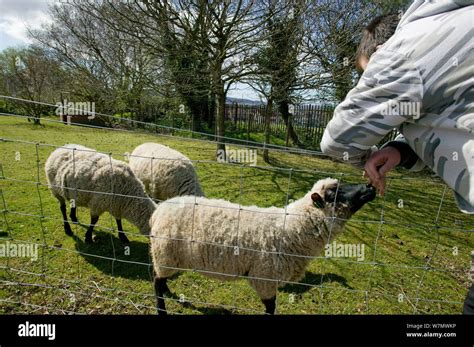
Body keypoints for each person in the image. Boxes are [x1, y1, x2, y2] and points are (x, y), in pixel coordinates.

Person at [320, 1, 473, 313]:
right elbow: (453, 118)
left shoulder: (403, 50)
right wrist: (401, 150)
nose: (372, 82)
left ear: (378, 52)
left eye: (368, 73)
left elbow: (338, 140)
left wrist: (363, 156)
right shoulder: (457, 21)